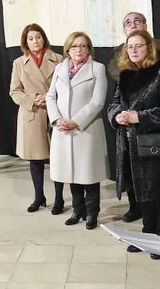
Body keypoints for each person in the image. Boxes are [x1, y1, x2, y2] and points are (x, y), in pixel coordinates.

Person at [107, 29, 160, 255]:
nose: (133, 50)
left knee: (158, 190)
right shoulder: (126, 74)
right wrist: (117, 116)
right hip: (130, 144)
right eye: (129, 47)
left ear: (149, 48)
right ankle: (148, 232)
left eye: (138, 46)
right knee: (142, 190)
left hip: (155, 141)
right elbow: (114, 103)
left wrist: (139, 117)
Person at [47, 31, 109, 230]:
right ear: (67, 49)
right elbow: (50, 97)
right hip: (63, 129)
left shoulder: (97, 69)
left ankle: (92, 213)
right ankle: (77, 210)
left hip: (86, 129)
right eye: (74, 46)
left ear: (89, 49)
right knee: (71, 173)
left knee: (88, 174)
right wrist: (57, 120)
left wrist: (76, 121)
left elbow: (98, 102)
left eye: (83, 46)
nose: (78, 50)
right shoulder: (59, 69)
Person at [9, 23, 64, 213]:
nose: (35, 41)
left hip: (55, 112)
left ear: (44, 38)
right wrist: (33, 100)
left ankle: (59, 199)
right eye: (30, 38)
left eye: (38, 37)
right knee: (35, 159)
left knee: (58, 158)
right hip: (32, 114)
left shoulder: (58, 59)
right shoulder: (19, 63)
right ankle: (38, 196)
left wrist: (50, 99)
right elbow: (14, 91)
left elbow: (66, 87)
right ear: (25, 41)